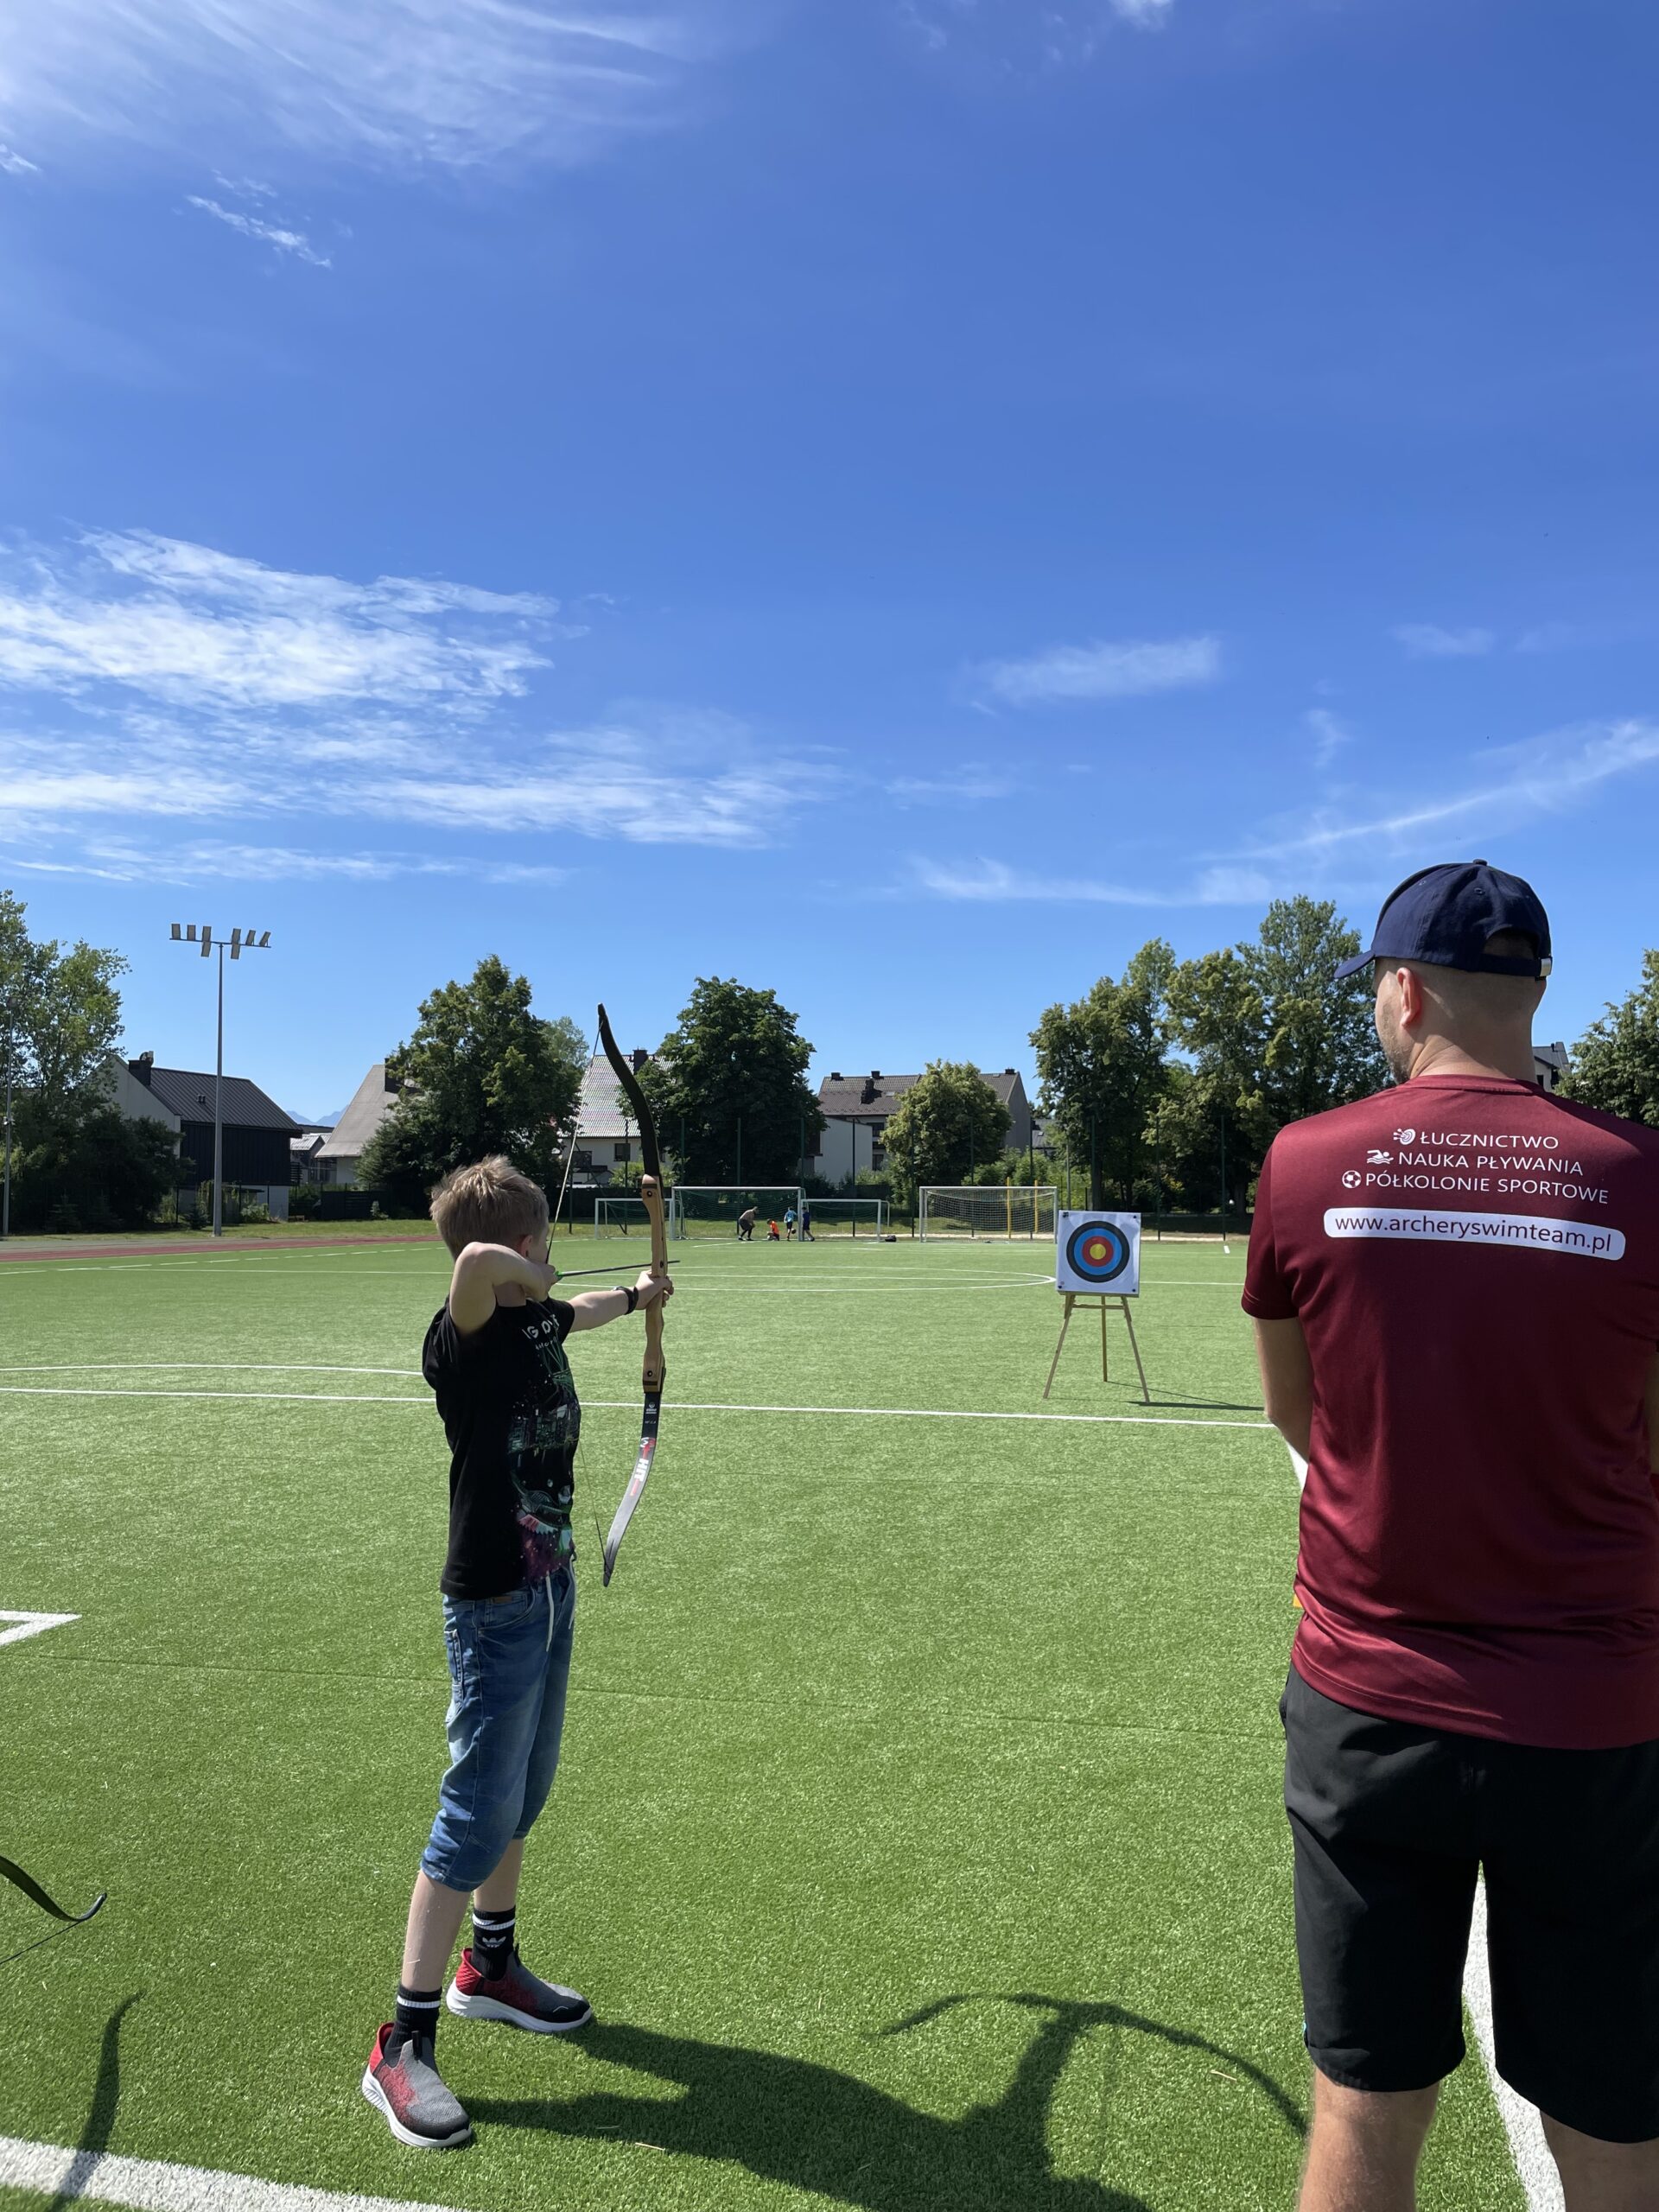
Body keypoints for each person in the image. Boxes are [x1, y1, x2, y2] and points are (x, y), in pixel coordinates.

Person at [1244, 861, 1659, 2212]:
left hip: (1370, 1705)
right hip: (1593, 1712)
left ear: (1406, 992)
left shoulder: (1307, 1161)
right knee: (1611, 2111)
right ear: (1535, 989)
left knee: (1364, 2106)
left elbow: (1299, 1415)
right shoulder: (1639, 1173)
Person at [362, 1155, 673, 2151]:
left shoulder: (535, 1320)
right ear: (524, 1245)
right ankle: (401, 2043)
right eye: (542, 1242)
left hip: (548, 1589)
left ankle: (489, 1968)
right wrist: (523, 1266)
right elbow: (477, 1268)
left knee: (522, 1793)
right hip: (493, 1602)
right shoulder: (462, 1335)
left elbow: (580, 1308)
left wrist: (640, 1294)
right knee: (474, 1811)